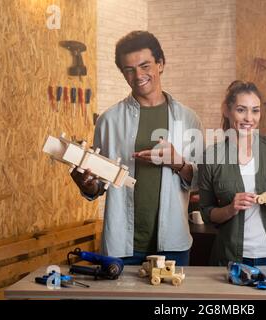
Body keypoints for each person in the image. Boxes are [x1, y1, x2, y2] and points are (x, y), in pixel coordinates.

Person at [71, 31, 202, 266]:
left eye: (145, 66)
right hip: (122, 245)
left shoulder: (188, 119)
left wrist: (179, 163)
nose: (138, 75)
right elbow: (99, 184)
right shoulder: (108, 120)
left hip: (173, 245)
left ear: (160, 64)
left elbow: (200, 181)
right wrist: (88, 185)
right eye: (129, 69)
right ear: (123, 73)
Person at [198, 80, 266, 267]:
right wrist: (230, 208)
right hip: (231, 257)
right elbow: (207, 211)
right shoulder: (211, 156)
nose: (249, 118)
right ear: (227, 110)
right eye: (241, 110)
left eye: (255, 110)